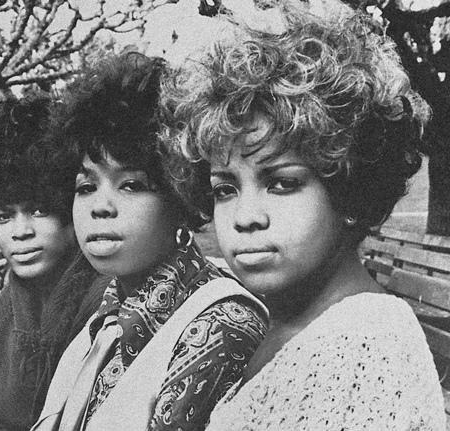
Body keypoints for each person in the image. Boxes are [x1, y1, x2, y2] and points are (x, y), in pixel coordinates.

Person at [162, 7, 447, 429]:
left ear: (351, 191)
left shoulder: (363, 353)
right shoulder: (292, 320)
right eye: (225, 189)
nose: (245, 217)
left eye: (281, 183)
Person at [30, 52, 268, 431]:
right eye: (86, 186)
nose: (100, 207)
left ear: (181, 196)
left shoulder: (221, 327)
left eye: (131, 185)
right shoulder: (105, 314)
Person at [0, 94, 107, 431]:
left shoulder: (104, 299)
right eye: (3, 216)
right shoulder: (14, 298)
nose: (20, 232)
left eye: (39, 210)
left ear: (70, 208)